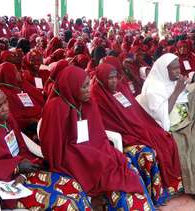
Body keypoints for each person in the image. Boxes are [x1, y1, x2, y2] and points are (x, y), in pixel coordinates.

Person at [0, 82, 91, 211]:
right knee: (66, 204)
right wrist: (16, 168)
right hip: (0, 187)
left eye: (5, 102)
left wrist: (24, 170)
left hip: (21, 174)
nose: (5, 108)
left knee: (73, 184)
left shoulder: (5, 118)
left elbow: (20, 147)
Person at [40, 65, 155, 210]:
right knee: (109, 173)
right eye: (84, 86)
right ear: (72, 87)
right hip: (70, 157)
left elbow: (98, 134)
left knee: (127, 168)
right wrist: (89, 155)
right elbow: (53, 148)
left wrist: (100, 152)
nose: (89, 89)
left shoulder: (88, 104)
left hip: (94, 149)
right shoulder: (56, 107)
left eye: (89, 84)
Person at [136, 53, 195, 208]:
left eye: (178, 68)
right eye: (173, 69)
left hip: (184, 117)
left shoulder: (170, 80)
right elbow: (162, 116)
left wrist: (185, 87)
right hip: (171, 127)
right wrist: (178, 90)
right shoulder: (154, 87)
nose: (177, 71)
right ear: (163, 70)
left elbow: (183, 98)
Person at [91, 63, 183, 206]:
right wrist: (134, 130)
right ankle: (153, 195)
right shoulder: (97, 96)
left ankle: (169, 187)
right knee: (147, 153)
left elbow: (135, 111)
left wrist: (143, 127)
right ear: (102, 78)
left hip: (135, 127)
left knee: (164, 138)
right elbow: (105, 124)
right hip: (123, 136)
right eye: (110, 78)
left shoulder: (120, 88)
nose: (114, 80)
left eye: (115, 77)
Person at [0, 62, 43, 137]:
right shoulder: (4, 94)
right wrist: (31, 121)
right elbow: (15, 120)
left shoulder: (17, 87)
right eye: (16, 71)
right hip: (29, 130)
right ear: (9, 74)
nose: (20, 72)